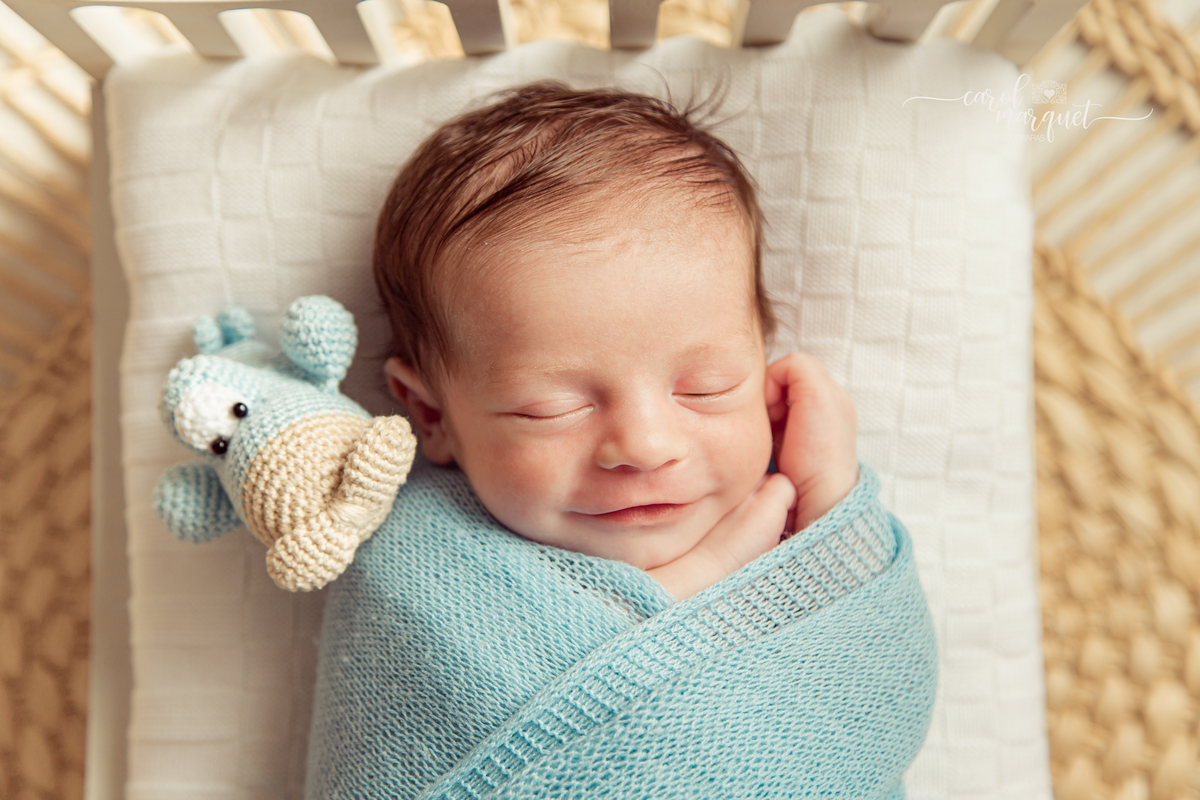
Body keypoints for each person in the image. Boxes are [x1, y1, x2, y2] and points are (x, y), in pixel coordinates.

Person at [374, 81, 859, 600]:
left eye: (706, 389)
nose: (646, 446)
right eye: (552, 409)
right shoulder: (422, 560)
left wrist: (829, 508)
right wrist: (700, 576)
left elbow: (885, 665)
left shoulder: (798, 503)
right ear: (432, 415)